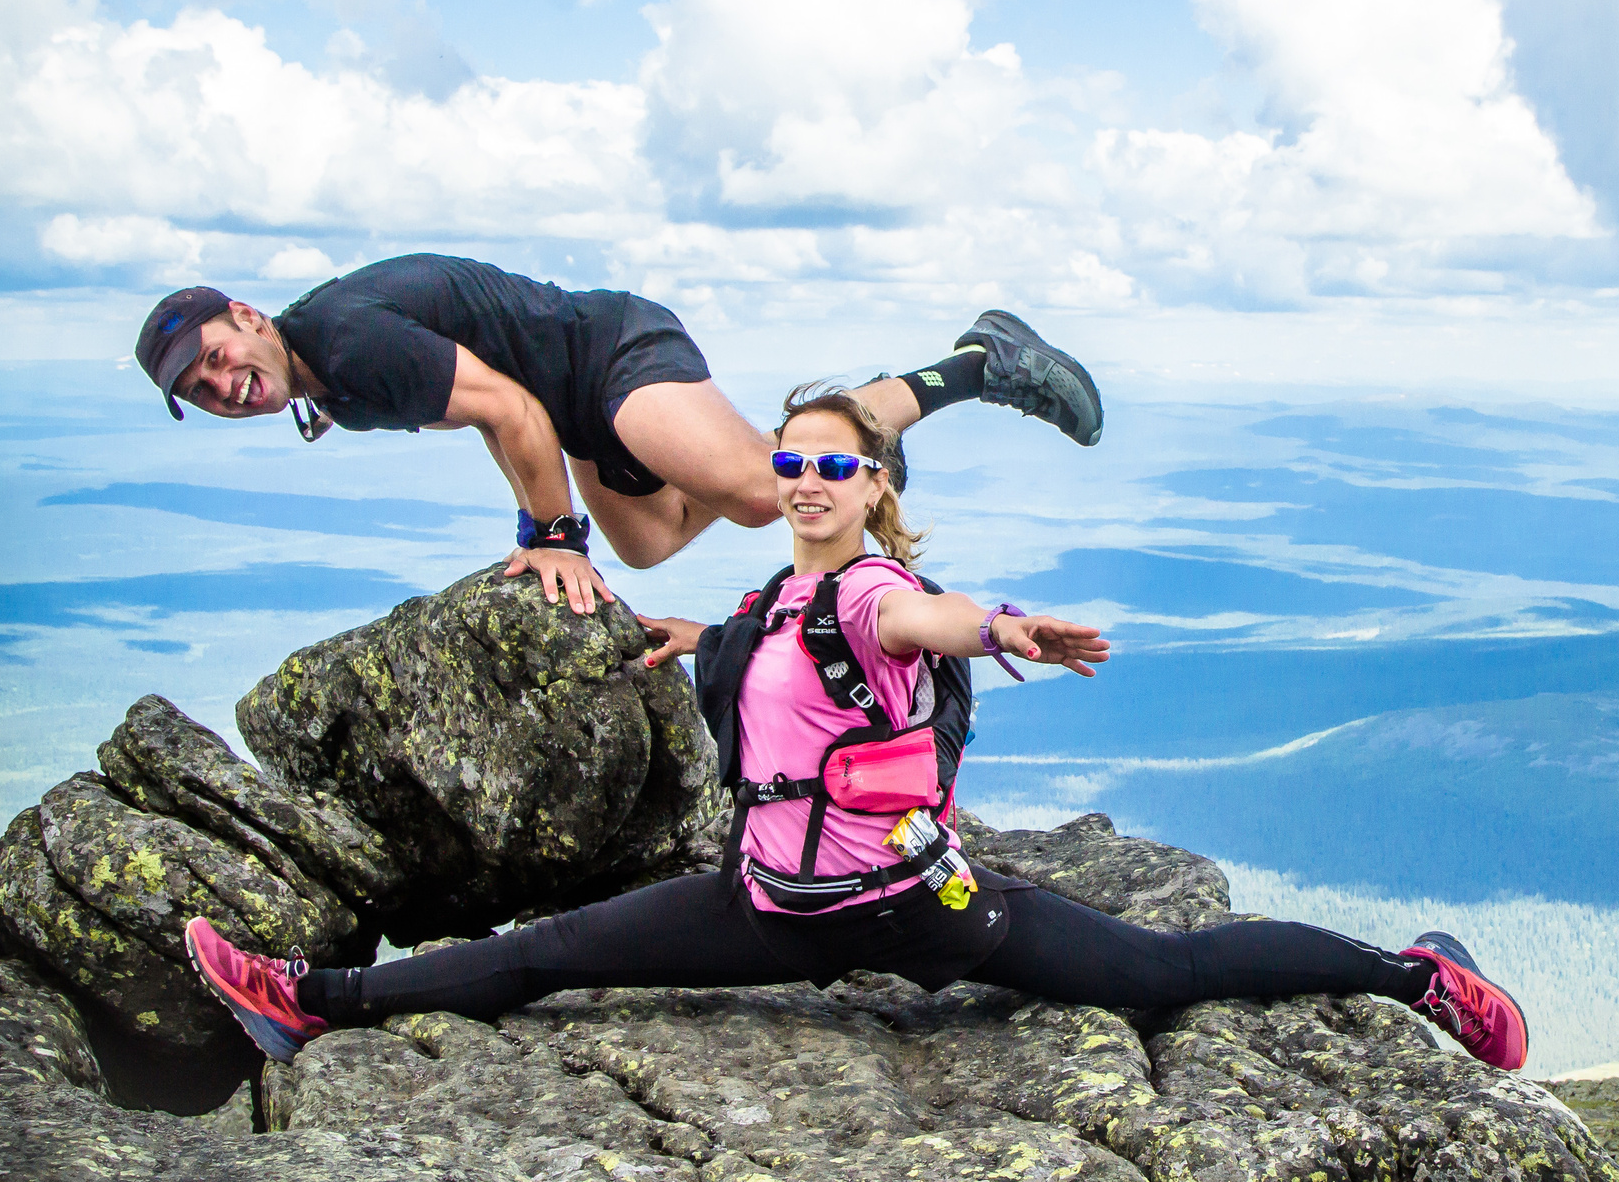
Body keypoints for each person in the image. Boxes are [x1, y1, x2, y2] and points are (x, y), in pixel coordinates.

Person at [183, 385, 1530, 1072]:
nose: (808, 477)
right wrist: (689, 636)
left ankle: (1416, 976)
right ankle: (307, 1000)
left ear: (871, 482)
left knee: (1162, 973)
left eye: (835, 462)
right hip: (767, 906)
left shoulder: (880, 591)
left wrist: (1010, 629)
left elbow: (928, 621)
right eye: (789, 458)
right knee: (546, 955)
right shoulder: (775, 594)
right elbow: (772, 657)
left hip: (915, 909)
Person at [133, 254, 1103, 614]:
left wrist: (551, 535)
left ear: (247, 317)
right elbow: (490, 406)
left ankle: (982, 363)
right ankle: (840, 448)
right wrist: (546, 511)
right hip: (583, 413)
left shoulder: (341, 343)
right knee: (650, 542)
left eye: (216, 357)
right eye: (203, 392)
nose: (224, 385)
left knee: (772, 494)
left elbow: (512, 413)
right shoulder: (327, 375)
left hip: (608, 355)